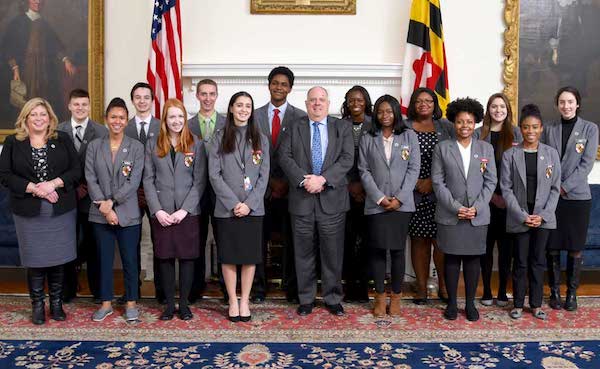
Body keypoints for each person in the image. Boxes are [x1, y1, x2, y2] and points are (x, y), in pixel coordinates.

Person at [0, 97, 80, 325]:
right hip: (28, 210)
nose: (38, 118)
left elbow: (76, 171)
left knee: (58, 258)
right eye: (33, 114)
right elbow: (4, 175)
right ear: (25, 117)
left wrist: (53, 184)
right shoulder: (14, 142)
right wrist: (36, 188)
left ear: (50, 118)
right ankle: (37, 304)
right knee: (35, 259)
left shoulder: (61, 139)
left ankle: (56, 303)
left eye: (42, 114)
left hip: (60, 209)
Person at [279, 86, 354, 316]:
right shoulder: (294, 126)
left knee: (332, 253)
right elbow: (284, 156)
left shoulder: (342, 127)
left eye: (321, 100)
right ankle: (306, 299)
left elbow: (347, 158)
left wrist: (323, 179)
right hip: (302, 200)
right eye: (313, 100)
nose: (317, 104)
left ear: (328, 104)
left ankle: (332, 298)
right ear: (306, 103)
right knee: (303, 252)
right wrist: (305, 181)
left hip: (332, 200)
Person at [432, 97, 496, 322]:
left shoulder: (485, 148)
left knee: (472, 260)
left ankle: (469, 304)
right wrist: (456, 207)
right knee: (451, 259)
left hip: (478, 216)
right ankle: (451, 303)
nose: (465, 126)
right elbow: (438, 182)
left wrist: (477, 207)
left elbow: (491, 182)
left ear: (476, 121)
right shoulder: (442, 148)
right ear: (454, 122)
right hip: (450, 215)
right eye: (460, 122)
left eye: (469, 121)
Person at [143, 98, 207, 320]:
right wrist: (157, 211)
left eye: (180, 116)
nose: (176, 121)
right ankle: (169, 304)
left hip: (187, 213)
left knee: (188, 258)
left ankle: (184, 304)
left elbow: (199, 182)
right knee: (165, 258)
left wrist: (184, 210)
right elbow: (148, 180)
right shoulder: (153, 144)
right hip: (162, 213)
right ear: (165, 120)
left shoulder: (195, 143)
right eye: (172, 116)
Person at [208, 91, 269, 322]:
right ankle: (233, 300)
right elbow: (214, 175)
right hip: (227, 209)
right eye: (239, 105)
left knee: (249, 256)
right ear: (231, 108)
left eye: (248, 106)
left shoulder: (261, 138)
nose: (244, 109)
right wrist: (234, 203)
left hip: (253, 210)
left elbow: (264, 176)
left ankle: (245, 301)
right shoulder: (219, 137)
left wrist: (249, 204)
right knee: (230, 256)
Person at [358, 95, 420, 317]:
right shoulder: (368, 137)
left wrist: (399, 198)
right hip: (376, 205)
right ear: (376, 114)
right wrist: (379, 197)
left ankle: (395, 296)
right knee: (376, 250)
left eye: (389, 111)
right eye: (381, 111)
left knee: (397, 251)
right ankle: (379, 296)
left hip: (401, 205)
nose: (385, 116)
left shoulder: (409, 136)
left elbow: (414, 169)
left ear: (396, 113)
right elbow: (363, 170)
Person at [86, 98, 145, 322]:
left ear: (126, 120)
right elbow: (90, 178)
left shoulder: (136, 147)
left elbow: (134, 181)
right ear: (106, 119)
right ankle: (106, 303)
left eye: (121, 117)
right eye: (113, 117)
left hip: (127, 213)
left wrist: (112, 203)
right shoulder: (94, 146)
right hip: (100, 214)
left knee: (130, 260)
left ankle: (131, 303)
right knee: (104, 260)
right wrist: (105, 206)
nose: (117, 121)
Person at [501, 104, 561, 320]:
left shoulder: (551, 154)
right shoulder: (510, 155)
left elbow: (555, 188)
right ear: (521, 129)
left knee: (538, 261)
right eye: (526, 127)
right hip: (520, 217)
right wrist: (522, 215)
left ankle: (535, 304)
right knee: (520, 261)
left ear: (541, 128)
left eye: (535, 127)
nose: (530, 131)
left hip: (543, 218)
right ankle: (517, 303)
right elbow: (506, 189)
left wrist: (542, 215)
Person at [253, 66, 306, 303]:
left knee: (293, 242)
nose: (279, 87)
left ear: (290, 88)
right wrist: (268, 182)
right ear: (268, 85)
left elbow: (303, 155)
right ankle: (258, 289)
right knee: (257, 242)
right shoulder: (253, 115)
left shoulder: (301, 117)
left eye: (284, 84)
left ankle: (292, 288)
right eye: (275, 83)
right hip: (260, 191)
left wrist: (285, 181)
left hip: (290, 190)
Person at [542, 86, 598, 312]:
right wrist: (554, 187)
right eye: (562, 102)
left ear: (578, 104)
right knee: (552, 246)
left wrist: (563, 187)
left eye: (570, 102)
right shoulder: (549, 129)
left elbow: (586, 166)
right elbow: (545, 160)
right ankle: (554, 291)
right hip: (552, 197)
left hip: (577, 198)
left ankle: (571, 293)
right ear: (557, 105)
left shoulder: (590, 129)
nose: (566, 106)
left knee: (575, 247)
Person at [404, 87, 454, 304]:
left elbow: (454, 159)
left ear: (435, 105)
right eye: (419, 101)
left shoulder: (447, 127)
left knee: (440, 242)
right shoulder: (403, 127)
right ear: (413, 104)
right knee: (418, 241)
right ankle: (422, 287)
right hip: (412, 192)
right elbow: (396, 159)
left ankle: (443, 286)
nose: (424, 104)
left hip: (440, 192)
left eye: (429, 101)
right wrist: (414, 182)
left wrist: (433, 183)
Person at [57, 88, 107, 303]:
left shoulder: (101, 131)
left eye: (84, 104)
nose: (80, 108)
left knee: (94, 245)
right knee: (66, 244)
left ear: (89, 106)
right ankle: (67, 291)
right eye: (76, 104)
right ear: (69, 106)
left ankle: (98, 292)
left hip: (92, 198)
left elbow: (104, 166)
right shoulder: (58, 130)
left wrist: (88, 187)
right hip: (65, 197)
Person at [474, 93, 522, 307]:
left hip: (509, 202)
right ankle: (486, 291)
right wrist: (490, 196)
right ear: (488, 110)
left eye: (502, 106)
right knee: (485, 248)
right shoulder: (478, 134)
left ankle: (502, 291)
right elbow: (474, 170)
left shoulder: (517, 133)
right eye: (494, 106)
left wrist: (505, 196)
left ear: (508, 110)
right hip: (484, 200)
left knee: (505, 251)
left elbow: (520, 169)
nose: (498, 110)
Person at [1, 0, 76, 121]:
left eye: (40, 0)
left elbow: (55, 44)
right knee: (25, 97)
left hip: (42, 69)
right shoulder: (17, 22)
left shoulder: (44, 24)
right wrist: (15, 68)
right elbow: (9, 47)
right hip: (25, 68)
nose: (38, 2)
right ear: (28, 1)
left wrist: (66, 60)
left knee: (43, 97)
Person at [187, 78, 226, 303]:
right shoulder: (188, 125)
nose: (208, 98)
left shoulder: (226, 123)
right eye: (204, 94)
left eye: (212, 94)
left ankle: (225, 287)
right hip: (197, 191)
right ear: (198, 96)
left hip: (221, 191)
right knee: (197, 239)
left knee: (223, 240)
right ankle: (195, 287)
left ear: (216, 96)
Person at [124, 82, 163, 304]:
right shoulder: (124, 127)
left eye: (146, 97)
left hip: (156, 192)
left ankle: (160, 289)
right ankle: (132, 289)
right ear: (133, 101)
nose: (142, 101)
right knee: (132, 242)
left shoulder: (162, 126)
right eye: (137, 97)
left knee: (159, 240)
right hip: (130, 193)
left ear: (152, 100)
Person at [340, 85, 372, 303]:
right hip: (344, 192)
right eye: (351, 100)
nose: (355, 103)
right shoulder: (338, 125)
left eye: (359, 99)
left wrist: (363, 185)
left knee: (368, 241)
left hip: (370, 192)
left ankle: (364, 285)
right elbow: (332, 159)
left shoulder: (376, 124)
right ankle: (349, 285)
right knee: (347, 241)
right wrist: (349, 185)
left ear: (366, 102)